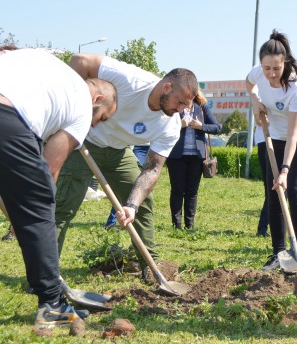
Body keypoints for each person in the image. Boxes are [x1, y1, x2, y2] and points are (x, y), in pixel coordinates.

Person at [54, 53, 199, 280]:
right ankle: (45, 275)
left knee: (143, 202)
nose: (181, 110)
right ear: (167, 87)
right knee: (64, 206)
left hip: (120, 152)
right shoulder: (130, 80)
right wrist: (70, 104)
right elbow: (81, 61)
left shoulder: (170, 125)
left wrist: (131, 205)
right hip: (84, 142)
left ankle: (150, 267)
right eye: (179, 102)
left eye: (185, 106)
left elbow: (152, 168)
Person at [0, 47, 117, 328]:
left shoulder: (40, 61)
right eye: (100, 118)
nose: (94, 125)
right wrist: (29, 215)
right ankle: (52, 304)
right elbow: (50, 170)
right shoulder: (79, 104)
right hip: (7, 117)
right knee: (41, 203)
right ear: (97, 99)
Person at [246, 29, 297, 272]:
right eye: (266, 68)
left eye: (276, 68)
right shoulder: (260, 72)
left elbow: (294, 135)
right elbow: (248, 83)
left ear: (284, 63)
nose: (270, 73)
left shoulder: (295, 86)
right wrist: (255, 101)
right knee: (274, 193)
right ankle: (278, 253)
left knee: (295, 191)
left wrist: (285, 170)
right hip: (275, 137)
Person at [167, 92, 221, 230]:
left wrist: (201, 126)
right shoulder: (174, 107)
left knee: (192, 191)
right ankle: (176, 225)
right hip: (176, 156)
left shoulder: (202, 108)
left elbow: (217, 127)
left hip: (197, 157)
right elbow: (163, 128)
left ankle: (189, 225)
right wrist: (180, 124)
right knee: (177, 190)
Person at [104, 144, 150, 230]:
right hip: (136, 146)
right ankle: (111, 222)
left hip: (149, 146)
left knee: (141, 189)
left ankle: (134, 224)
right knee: (126, 188)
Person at [254, 124, 270, 237]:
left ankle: (263, 227)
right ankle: (262, 228)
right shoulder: (260, 105)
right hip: (266, 142)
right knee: (271, 190)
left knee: (270, 191)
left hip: (270, 140)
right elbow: (260, 121)